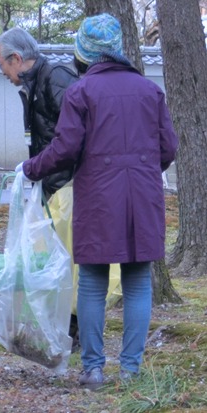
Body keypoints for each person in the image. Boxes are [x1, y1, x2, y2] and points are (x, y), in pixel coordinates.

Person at [20, 13, 178, 388]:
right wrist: (142, 170)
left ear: (85, 50)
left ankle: (93, 369)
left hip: (97, 196)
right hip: (143, 195)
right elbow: (168, 148)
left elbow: (65, 148)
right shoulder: (149, 90)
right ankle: (131, 369)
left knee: (92, 280)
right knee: (138, 281)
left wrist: (31, 168)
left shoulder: (81, 91)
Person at [0, 27, 81, 350]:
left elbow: (74, 133)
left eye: (1, 63)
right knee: (57, 259)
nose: (1, 71)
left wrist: (38, 169)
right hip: (52, 183)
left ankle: (75, 328)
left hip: (69, 183)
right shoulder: (33, 85)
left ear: (16, 59)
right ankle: (62, 326)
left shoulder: (54, 78)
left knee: (71, 260)